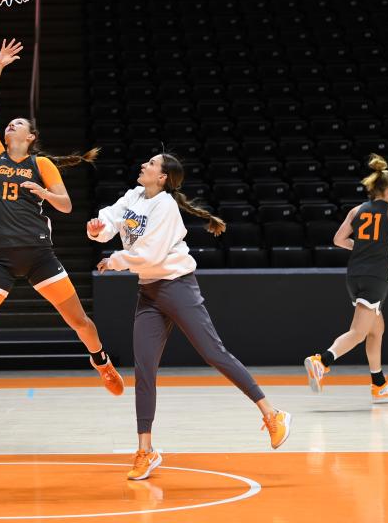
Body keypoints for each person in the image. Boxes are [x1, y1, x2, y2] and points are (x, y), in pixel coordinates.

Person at [0, 39, 124, 431]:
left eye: (19, 124)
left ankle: (101, 361)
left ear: (29, 137)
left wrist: (43, 192)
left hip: (40, 255)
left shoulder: (40, 164)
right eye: (10, 123)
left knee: (79, 322)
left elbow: (65, 206)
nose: (11, 124)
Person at [88, 153, 291, 480]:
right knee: (144, 369)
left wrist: (115, 261)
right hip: (149, 292)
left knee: (213, 353)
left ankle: (273, 414)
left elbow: (150, 254)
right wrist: (97, 229)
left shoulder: (165, 206)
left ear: (163, 177)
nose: (144, 165)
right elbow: (110, 220)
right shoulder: (133, 196)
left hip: (177, 286)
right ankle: (146, 450)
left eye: (151, 164)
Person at [304, 154, 388, 401]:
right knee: (358, 332)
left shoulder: (356, 210)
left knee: (376, 328)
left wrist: (364, 247)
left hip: (355, 277)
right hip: (376, 278)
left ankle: (378, 383)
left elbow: (338, 239)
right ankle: (322, 361)